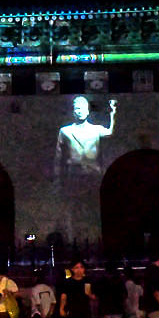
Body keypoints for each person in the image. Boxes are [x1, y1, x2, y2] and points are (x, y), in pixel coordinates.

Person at [55, 96, 116, 236]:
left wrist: (113, 113)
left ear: (88, 111)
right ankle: (74, 236)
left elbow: (109, 132)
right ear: (73, 111)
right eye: (77, 108)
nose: (80, 111)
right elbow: (59, 156)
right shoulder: (65, 131)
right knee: (73, 208)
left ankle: (95, 235)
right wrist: (58, 178)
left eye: (83, 108)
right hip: (73, 176)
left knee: (93, 207)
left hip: (93, 175)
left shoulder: (96, 129)